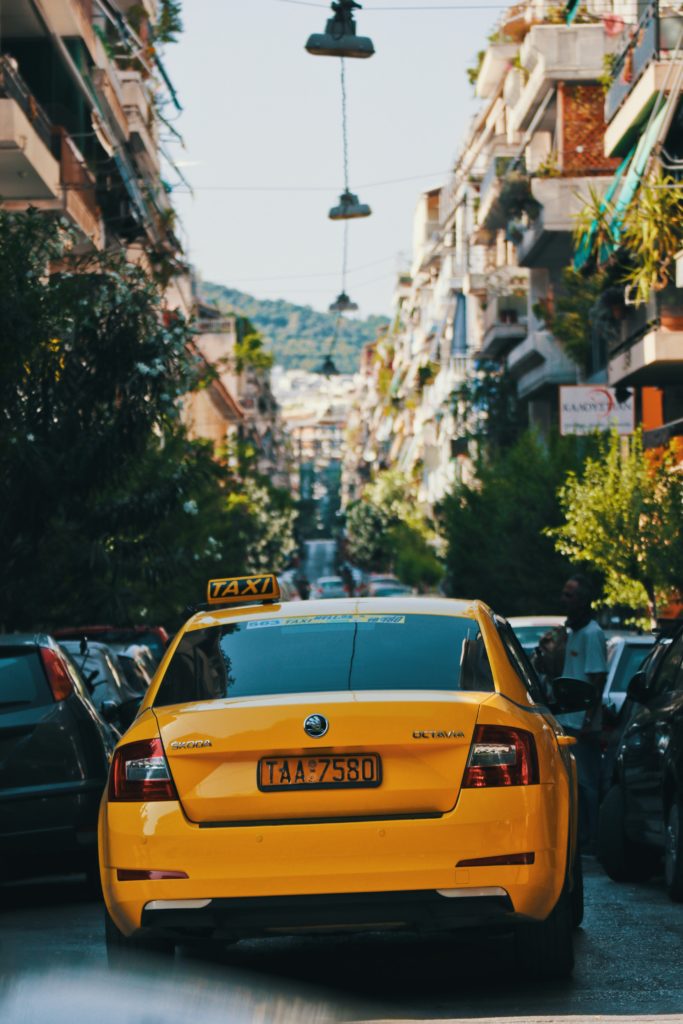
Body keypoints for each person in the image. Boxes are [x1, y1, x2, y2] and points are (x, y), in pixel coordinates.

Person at [557, 573, 607, 852]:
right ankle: (579, 836)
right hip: (567, 720)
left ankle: (593, 839)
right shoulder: (573, 632)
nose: (564, 600)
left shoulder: (592, 633)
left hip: (582, 723)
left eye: (569, 595)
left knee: (587, 783)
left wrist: (589, 719)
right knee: (574, 783)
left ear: (583, 600)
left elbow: (597, 677)